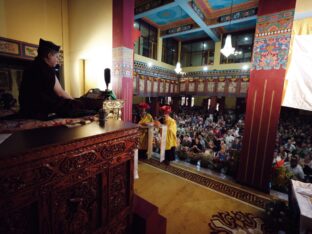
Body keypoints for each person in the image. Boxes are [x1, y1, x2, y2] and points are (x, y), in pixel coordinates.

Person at [19, 38, 97, 119]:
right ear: (49, 55)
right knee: (79, 104)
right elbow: (60, 92)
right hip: (43, 108)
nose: (58, 60)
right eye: (56, 56)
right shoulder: (47, 69)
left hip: (27, 109)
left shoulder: (30, 67)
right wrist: (74, 101)